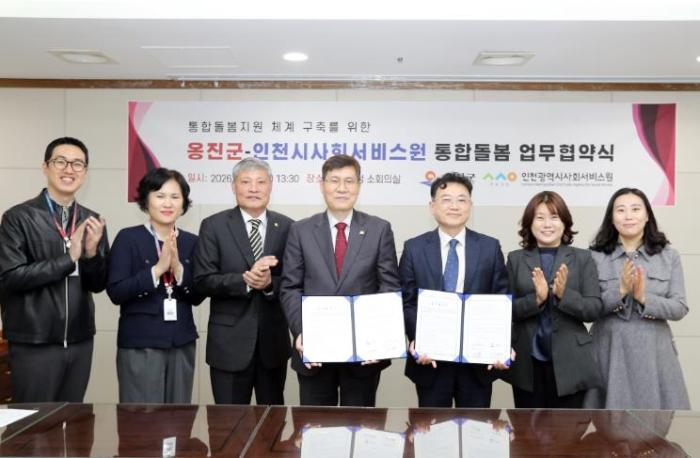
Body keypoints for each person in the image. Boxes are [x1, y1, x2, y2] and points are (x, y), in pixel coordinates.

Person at [280, 155, 400, 407]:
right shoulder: (301, 230)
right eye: (334, 180)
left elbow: (388, 287)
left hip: (363, 355)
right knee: (315, 426)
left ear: (359, 185)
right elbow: (290, 287)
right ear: (322, 184)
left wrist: (378, 338)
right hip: (314, 350)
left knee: (360, 425)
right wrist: (302, 331)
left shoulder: (379, 229)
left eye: (349, 181)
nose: (342, 188)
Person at [0, 137, 108, 402]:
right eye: (61, 161)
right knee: (34, 422)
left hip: (80, 340)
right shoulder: (18, 217)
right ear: (45, 167)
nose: (69, 169)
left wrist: (91, 255)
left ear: (85, 172)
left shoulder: (92, 220)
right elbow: (10, 277)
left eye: (77, 164)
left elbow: (98, 284)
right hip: (35, 341)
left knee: (73, 420)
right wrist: (68, 259)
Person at [399, 172, 510, 408]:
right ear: (432, 206)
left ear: (470, 206)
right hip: (430, 361)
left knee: (476, 426)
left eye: (462, 200)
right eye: (446, 199)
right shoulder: (414, 248)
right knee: (430, 428)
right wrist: (419, 339)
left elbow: (500, 302)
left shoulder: (490, 248)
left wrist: (500, 344)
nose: (454, 206)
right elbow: (407, 302)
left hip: (477, 363)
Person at [193, 158, 293, 405]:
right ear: (233, 186)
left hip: (272, 344)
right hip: (228, 346)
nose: (253, 188)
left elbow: (295, 281)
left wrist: (269, 284)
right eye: (246, 182)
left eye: (261, 182)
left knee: (272, 421)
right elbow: (202, 280)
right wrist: (245, 281)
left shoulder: (288, 226)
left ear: (271, 186)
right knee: (228, 423)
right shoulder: (214, 226)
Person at [584, 187, 690, 409]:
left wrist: (644, 298)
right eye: (621, 210)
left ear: (647, 215)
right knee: (608, 421)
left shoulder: (668, 255)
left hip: (655, 350)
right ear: (612, 218)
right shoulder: (594, 256)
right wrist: (620, 291)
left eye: (635, 209)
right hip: (609, 349)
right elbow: (588, 307)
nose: (628, 216)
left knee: (656, 422)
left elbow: (679, 307)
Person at [106, 168, 204, 403]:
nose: (167, 203)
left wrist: (178, 269)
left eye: (175, 197)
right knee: (143, 418)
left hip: (181, 342)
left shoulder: (192, 242)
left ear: (184, 203)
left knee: (179, 416)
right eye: (160, 196)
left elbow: (198, 294)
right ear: (146, 200)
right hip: (141, 344)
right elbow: (116, 292)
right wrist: (157, 270)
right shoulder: (128, 238)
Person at [504, 191, 602, 408]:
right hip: (527, 362)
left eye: (554, 217)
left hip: (571, 361)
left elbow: (594, 309)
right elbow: (505, 310)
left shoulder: (583, 258)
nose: (547, 224)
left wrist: (563, 295)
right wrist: (537, 299)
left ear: (564, 222)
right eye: (540, 218)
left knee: (567, 428)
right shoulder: (516, 259)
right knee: (527, 427)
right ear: (530, 223)